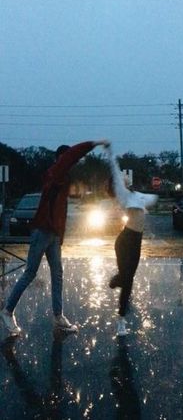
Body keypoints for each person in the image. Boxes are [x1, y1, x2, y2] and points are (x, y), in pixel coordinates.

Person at [0, 140, 107, 335]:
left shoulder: (63, 179)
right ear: (62, 160)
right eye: (69, 161)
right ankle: (7, 311)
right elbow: (71, 156)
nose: (73, 165)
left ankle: (58, 317)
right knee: (30, 272)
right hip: (42, 231)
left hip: (53, 234)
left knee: (57, 274)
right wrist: (94, 143)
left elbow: (62, 211)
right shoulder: (55, 173)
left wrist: (61, 236)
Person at [105, 144, 158, 336]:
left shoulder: (138, 195)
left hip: (136, 241)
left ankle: (117, 284)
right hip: (125, 241)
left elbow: (153, 198)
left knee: (129, 279)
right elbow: (114, 167)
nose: (125, 177)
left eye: (125, 176)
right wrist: (109, 151)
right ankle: (121, 320)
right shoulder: (124, 195)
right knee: (127, 280)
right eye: (122, 178)